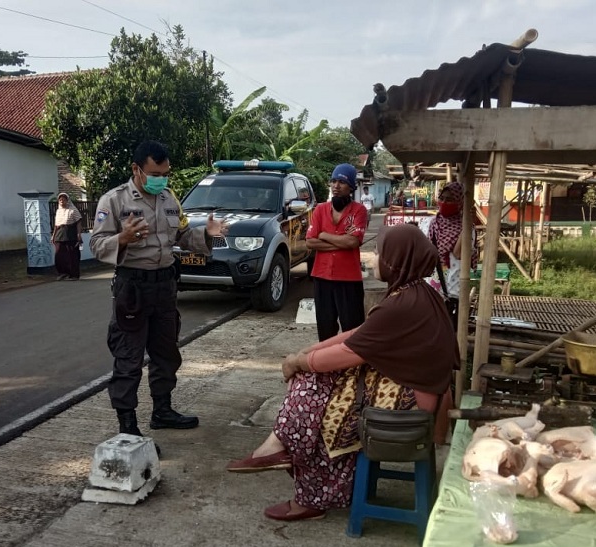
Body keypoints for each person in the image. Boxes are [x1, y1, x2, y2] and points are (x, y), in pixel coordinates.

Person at [226, 224, 458, 521]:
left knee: (320, 405)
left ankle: (303, 482)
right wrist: (310, 351)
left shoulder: (404, 303)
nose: (373, 258)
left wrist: (300, 362)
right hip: (415, 389)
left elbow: (352, 351)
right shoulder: (413, 293)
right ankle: (281, 449)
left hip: (413, 402)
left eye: (380, 253)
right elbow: (359, 334)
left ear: (397, 260)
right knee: (318, 385)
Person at [90, 140, 228, 440]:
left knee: (167, 354)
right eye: (156, 173)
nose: (161, 179)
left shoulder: (168, 198)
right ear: (136, 169)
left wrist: (207, 234)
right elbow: (96, 245)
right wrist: (123, 238)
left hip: (165, 286)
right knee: (128, 359)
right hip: (133, 289)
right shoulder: (113, 201)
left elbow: (182, 236)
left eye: (166, 173)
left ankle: (162, 411)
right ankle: (127, 426)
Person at [306, 163, 367, 341]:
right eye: (333, 181)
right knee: (325, 327)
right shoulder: (320, 210)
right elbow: (310, 242)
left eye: (341, 182)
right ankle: (327, 367)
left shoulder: (359, 211)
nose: (336, 186)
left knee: (352, 328)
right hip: (322, 276)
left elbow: (353, 241)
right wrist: (342, 242)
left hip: (349, 278)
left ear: (351, 187)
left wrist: (323, 235)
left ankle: (352, 368)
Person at [427, 181, 478, 326]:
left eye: (449, 199)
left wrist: (467, 223)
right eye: (442, 198)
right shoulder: (432, 223)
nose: (444, 202)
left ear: (460, 202)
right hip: (432, 290)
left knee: (449, 336)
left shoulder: (468, 228)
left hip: (453, 293)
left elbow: (458, 253)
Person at [52, 192, 83, 281]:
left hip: (70, 233)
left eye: (64, 200)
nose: (62, 201)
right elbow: (56, 225)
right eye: (60, 200)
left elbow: (79, 222)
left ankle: (73, 275)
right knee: (59, 255)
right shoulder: (58, 211)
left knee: (72, 254)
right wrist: (53, 236)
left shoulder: (73, 210)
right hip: (59, 234)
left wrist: (78, 234)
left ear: (67, 200)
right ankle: (62, 273)